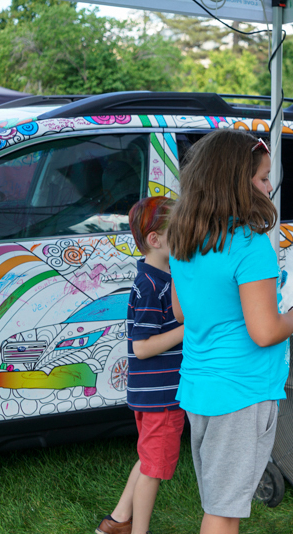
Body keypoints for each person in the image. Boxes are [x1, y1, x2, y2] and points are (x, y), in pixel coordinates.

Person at [167, 130, 293, 534]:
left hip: (199, 387)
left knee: (218, 503)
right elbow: (265, 332)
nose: (269, 187)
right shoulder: (251, 247)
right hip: (241, 391)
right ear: (235, 182)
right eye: (263, 178)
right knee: (223, 512)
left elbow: (181, 312)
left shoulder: (185, 238)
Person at [97, 196, 185, 534]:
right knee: (153, 470)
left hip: (154, 394)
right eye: (180, 230)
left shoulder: (160, 277)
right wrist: (188, 329)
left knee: (148, 458)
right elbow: (142, 347)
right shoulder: (150, 286)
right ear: (155, 239)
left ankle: (118, 521)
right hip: (160, 397)